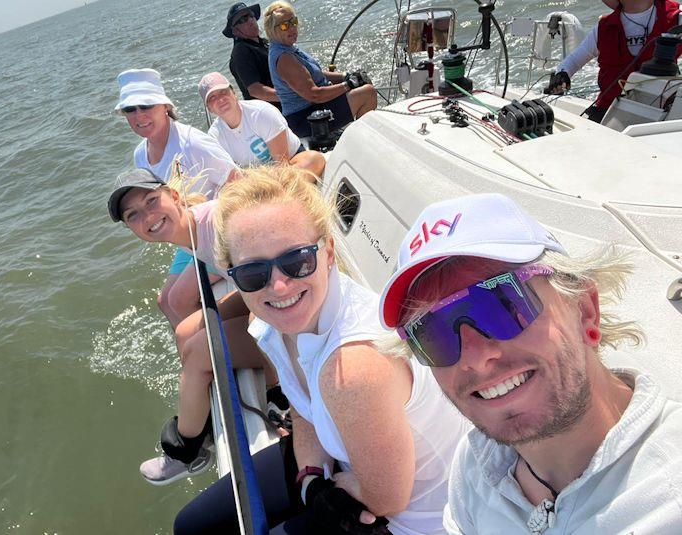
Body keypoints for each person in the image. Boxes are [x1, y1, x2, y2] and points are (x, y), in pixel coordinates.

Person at [378, 193, 682, 533]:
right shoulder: (476, 467)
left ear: (584, 311)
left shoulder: (669, 503)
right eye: (431, 333)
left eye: (502, 303)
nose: (476, 357)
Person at [210, 166, 468, 534]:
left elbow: (386, 500)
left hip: (405, 521)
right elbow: (304, 413)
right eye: (254, 273)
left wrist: (331, 490)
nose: (280, 287)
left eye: (296, 260)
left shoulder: (353, 369)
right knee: (192, 524)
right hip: (349, 472)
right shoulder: (276, 326)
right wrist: (311, 478)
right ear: (233, 276)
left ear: (328, 252)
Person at [107, 168, 279, 486]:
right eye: (133, 215)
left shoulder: (217, 227)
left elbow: (272, 291)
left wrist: (276, 392)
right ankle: (202, 422)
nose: (147, 216)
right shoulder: (192, 231)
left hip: (292, 308)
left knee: (200, 353)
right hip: (266, 295)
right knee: (186, 332)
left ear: (173, 196)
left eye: (151, 201)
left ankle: (187, 453)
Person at [115, 68, 240, 327]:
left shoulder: (193, 143)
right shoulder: (142, 154)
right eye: (130, 110)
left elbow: (237, 182)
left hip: (214, 235)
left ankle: (214, 345)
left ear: (164, 106)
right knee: (165, 301)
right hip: (188, 239)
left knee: (179, 300)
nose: (139, 116)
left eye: (146, 105)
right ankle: (194, 350)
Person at [546, 0, 682, 122]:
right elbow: (573, 61)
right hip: (611, 114)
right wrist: (562, 75)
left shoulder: (677, 18)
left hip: (663, 115)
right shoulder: (603, 28)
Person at [264, 1, 378, 138]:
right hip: (305, 118)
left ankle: (358, 136)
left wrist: (345, 76)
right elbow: (314, 95)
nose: (292, 28)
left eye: (293, 21)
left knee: (363, 85)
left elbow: (315, 73)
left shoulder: (288, 48)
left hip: (315, 107)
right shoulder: (284, 58)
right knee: (367, 93)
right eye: (284, 25)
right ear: (272, 30)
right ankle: (361, 140)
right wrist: (348, 85)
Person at [199, 71, 326, 177]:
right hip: (256, 178)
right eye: (212, 98)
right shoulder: (214, 137)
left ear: (234, 93)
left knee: (314, 160)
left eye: (223, 92)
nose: (221, 99)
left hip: (290, 162)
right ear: (209, 108)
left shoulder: (261, 113)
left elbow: (282, 164)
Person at [223, 2, 281, 109]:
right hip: (271, 113)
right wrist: (290, 96)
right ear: (234, 31)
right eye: (242, 20)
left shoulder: (265, 43)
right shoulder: (241, 52)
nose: (250, 20)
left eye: (251, 15)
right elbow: (255, 90)